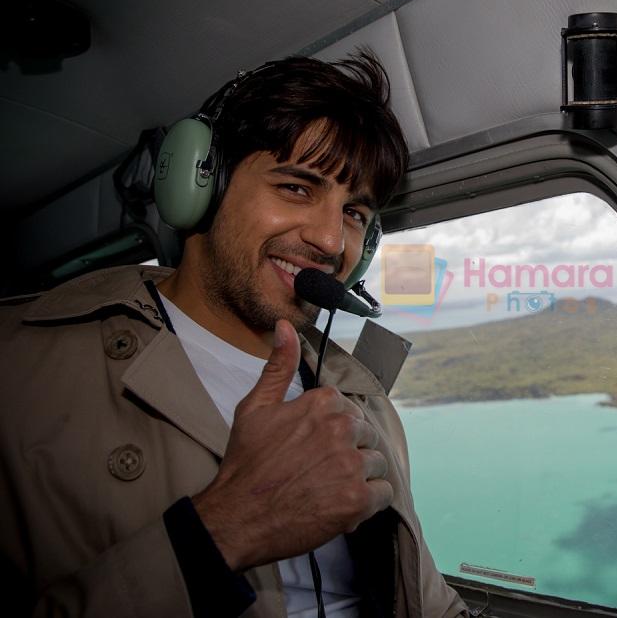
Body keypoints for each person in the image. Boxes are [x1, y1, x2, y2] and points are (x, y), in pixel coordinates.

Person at [0, 53, 468, 617]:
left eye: (354, 213)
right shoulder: (20, 371)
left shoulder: (362, 399)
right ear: (200, 184)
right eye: (297, 187)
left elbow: (426, 599)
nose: (329, 240)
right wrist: (224, 529)